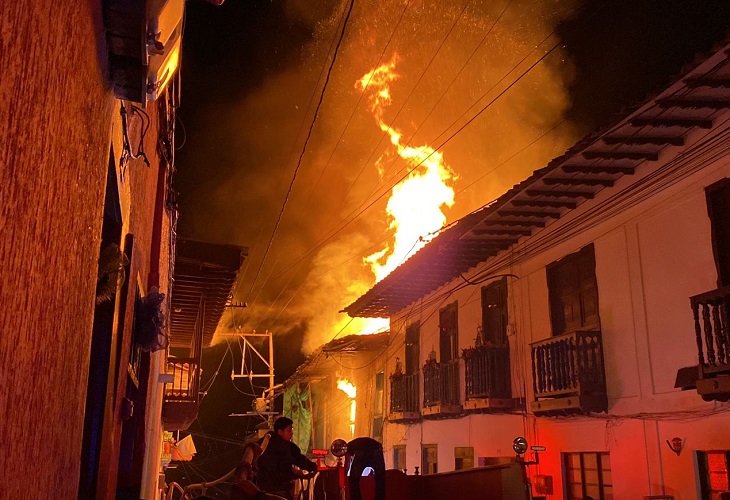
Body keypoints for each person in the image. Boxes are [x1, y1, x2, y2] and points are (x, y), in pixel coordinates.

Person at [256, 417, 318, 499]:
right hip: (280, 492)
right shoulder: (288, 447)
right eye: (289, 430)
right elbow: (301, 461)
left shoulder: (263, 443)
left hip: (262, 492)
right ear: (280, 432)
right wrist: (314, 467)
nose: (292, 433)